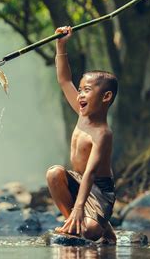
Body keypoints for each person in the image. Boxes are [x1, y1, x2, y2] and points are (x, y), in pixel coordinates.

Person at [46, 26, 117, 243]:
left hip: (98, 190)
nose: (80, 95)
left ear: (105, 97)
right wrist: (61, 45)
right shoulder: (81, 115)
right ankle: (72, 221)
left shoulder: (103, 133)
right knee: (54, 173)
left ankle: (98, 226)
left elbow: (91, 173)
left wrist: (80, 207)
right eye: (80, 89)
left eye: (87, 90)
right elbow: (64, 80)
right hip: (78, 181)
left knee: (90, 233)